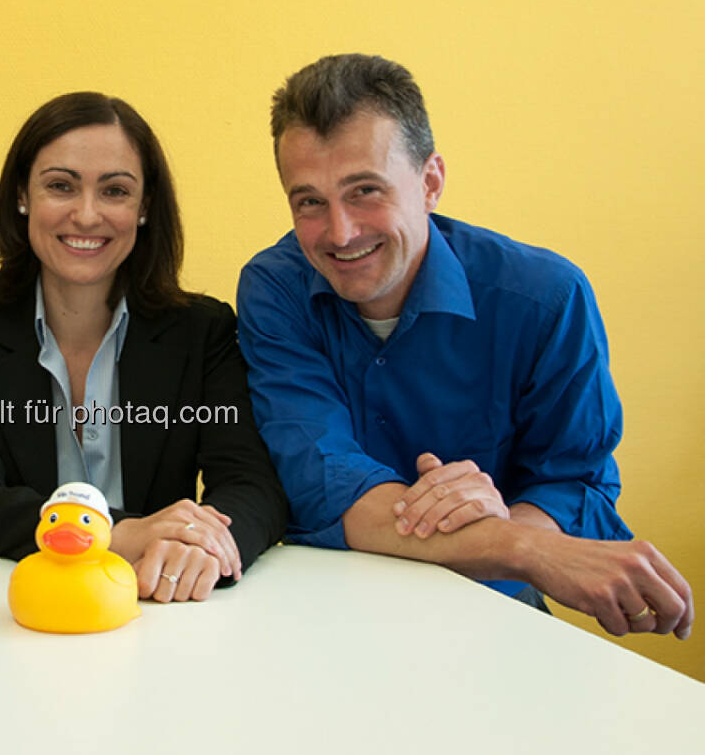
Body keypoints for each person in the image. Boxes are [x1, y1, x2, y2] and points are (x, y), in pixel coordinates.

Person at [237, 52, 693, 638]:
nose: (340, 232)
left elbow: (574, 480)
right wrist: (518, 546)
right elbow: (324, 481)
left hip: (494, 603)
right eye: (309, 202)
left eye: (365, 191)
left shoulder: (546, 298)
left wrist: (509, 536)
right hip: (331, 606)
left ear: (430, 183)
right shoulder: (275, 288)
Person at [0, 92, 289, 602]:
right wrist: (114, 534)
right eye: (60, 186)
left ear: (144, 208)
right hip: (16, 607)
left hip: (160, 605)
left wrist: (207, 548)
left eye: (115, 191)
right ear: (21, 197)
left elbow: (253, 486)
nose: (87, 215)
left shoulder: (203, 333)